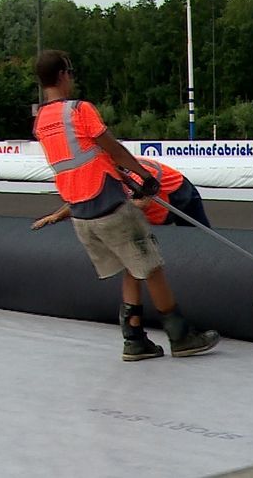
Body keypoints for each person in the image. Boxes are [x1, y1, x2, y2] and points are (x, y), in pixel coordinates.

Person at [32, 49, 219, 362]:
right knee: (151, 266)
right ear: (64, 74)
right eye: (71, 72)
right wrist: (146, 176)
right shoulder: (78, 110)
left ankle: (134, 338)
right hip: (108, 205)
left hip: (81, 215)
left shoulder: (41, 121)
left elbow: (84, 160)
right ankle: (181, 335)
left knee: (132, 269)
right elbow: (113, 148)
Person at [32, 157, 211, 230]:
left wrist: (105, 206)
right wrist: (55, 216)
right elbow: (86, 199)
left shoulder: (138, 173)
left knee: (198, 235)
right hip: (157, 211)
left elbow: (141, 203)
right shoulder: (105, 176)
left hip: (179, 196)